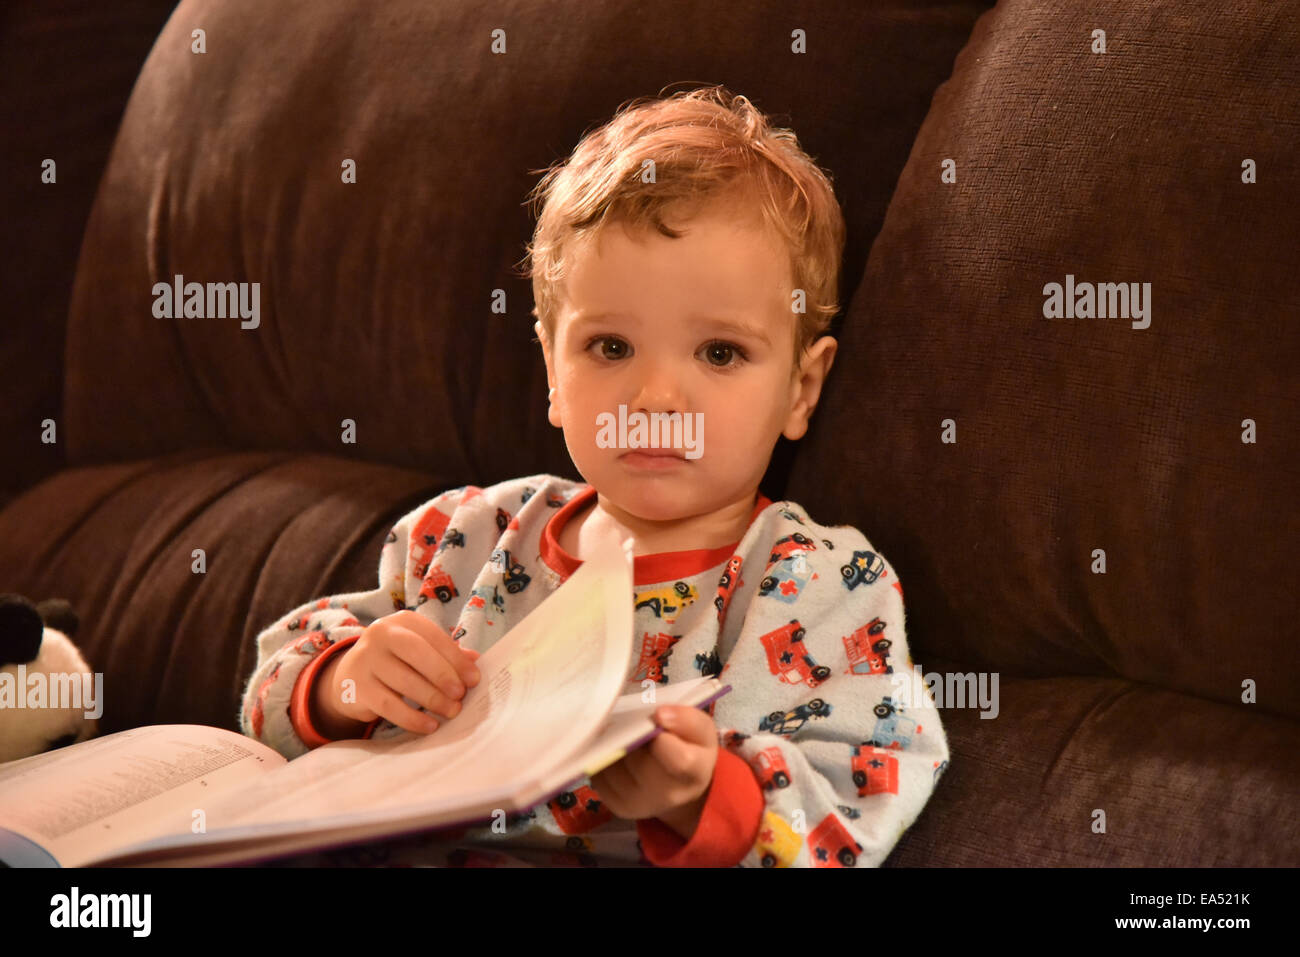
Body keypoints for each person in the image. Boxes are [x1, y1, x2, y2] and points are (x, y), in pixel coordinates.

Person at [239, 85, 950, 868]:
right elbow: (271, 689)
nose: (654, 399)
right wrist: (342, 682)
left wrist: (698, 793)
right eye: (610, 347)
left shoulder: (821, 585)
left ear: (800, 389)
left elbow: (867, 786)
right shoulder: (465, 538)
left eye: (720, 353)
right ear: (551, 366)